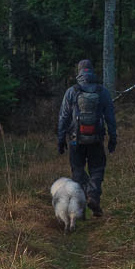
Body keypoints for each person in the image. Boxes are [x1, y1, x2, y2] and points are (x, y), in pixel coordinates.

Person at [56, 56, 117, 217]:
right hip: (96, 139)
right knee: (97, 169)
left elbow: (63, 117)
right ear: (92, 72)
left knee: (78, 171)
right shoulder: (102, 92)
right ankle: (93, 196)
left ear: (79, 72)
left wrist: (61, 139)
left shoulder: (72, 91)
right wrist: (113, 138)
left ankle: (80, 209)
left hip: (76, 140)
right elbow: (110, 117)